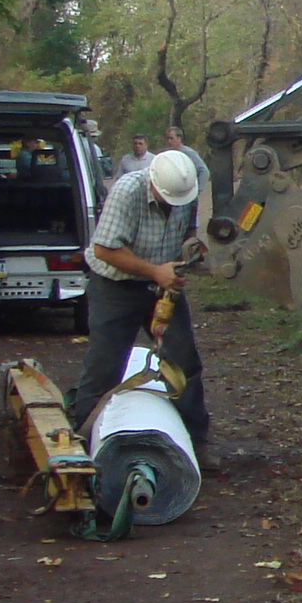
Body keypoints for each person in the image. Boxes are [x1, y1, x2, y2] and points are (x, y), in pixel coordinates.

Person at [73, 149, 209, 447]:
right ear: (154, 184)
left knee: (184, 363)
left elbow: (188, 230)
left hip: (163, 288)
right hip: (116, 288)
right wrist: (154, 271)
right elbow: (103, 250)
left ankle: (195, 441)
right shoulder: (127, 191)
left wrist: (191, 250)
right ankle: (82, 440)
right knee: (104, 367)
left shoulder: (186, 191)